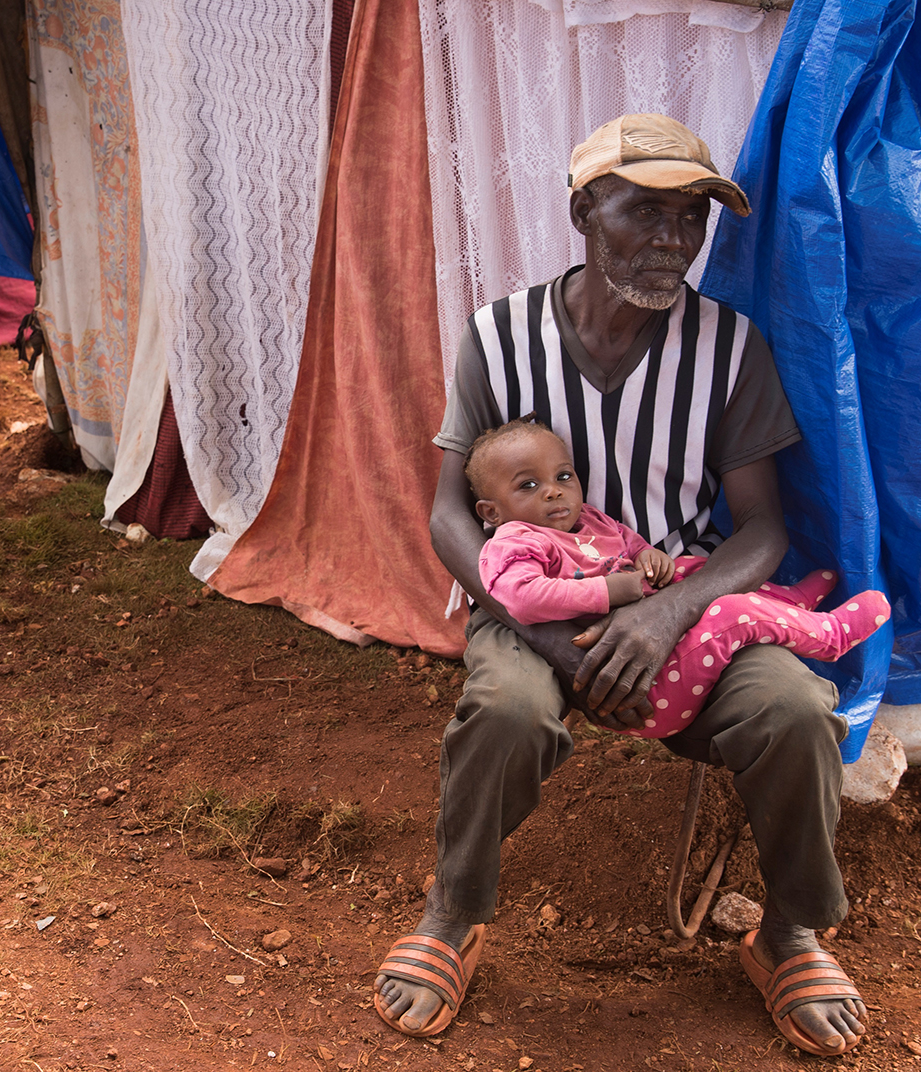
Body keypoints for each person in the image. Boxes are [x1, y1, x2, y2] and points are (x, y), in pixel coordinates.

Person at [372, 113, 871, 1057]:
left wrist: (668, 613)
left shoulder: (730, 347)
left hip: (681, 604)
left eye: (691, 218)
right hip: (530, 602)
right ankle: (453, 910)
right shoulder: (501, 335)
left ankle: (789, 931)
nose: (671, 239)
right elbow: (446, 514)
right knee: (510, 711)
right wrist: (552, 637)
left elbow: (763, 526)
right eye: (643, 210)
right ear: (583, 212)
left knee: (795, 709)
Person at [467, 420, 889, 738]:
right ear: (492, 511)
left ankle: (786, 602)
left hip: (656, 637)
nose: (554, 491)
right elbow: (522, 597)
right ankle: (829, 636)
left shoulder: (588, 519)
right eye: (529, 485)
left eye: (563, 476)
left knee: (698, 571)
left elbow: (629, 546)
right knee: (732, 613)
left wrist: (648, 558)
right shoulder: (513, 542)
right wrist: (610, 589)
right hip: (642, 685)